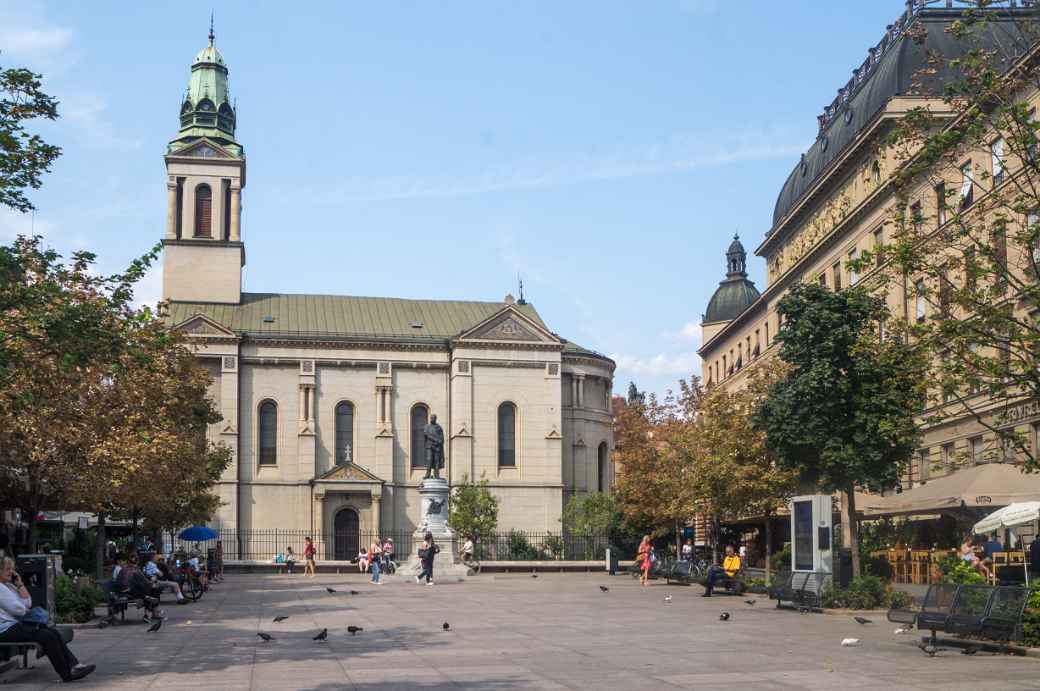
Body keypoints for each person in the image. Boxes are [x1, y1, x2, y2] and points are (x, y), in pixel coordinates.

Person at [0, 557, 95, 682]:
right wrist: (23, 609)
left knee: (51, 632)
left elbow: (27, 603)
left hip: (15, 625)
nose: (12, 572)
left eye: (12, 569)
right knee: (47, 636)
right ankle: (67, 673)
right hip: (5, 629)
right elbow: (18, 609)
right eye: (7, 569)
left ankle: (74, 666)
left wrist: (20, 584)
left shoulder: (9, 586)